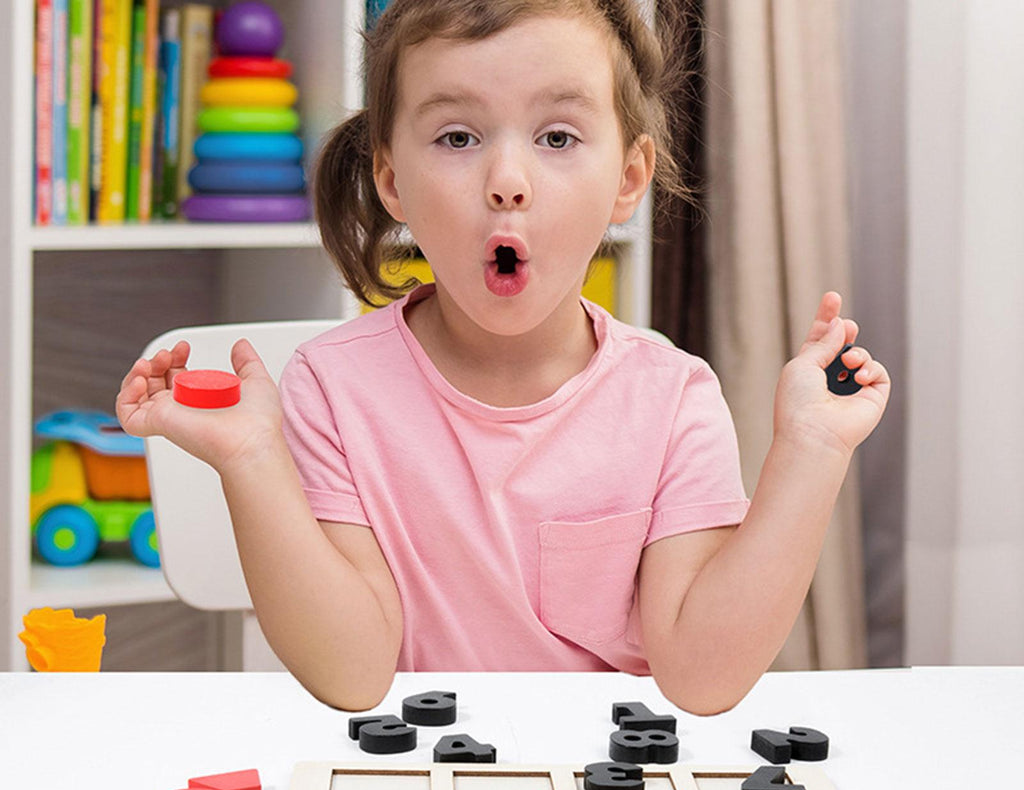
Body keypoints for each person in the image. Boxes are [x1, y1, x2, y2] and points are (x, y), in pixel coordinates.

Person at [116, 0, 889, 714]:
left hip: (601, 786)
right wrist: (252, 459)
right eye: (458, 138)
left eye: (557, 138)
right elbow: (352, 674)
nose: (507, 184)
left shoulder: (675, 397)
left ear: (628, 181)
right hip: (414, 780)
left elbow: (703, 677)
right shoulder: (330, 387)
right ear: (392, 180)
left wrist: (811, 451)